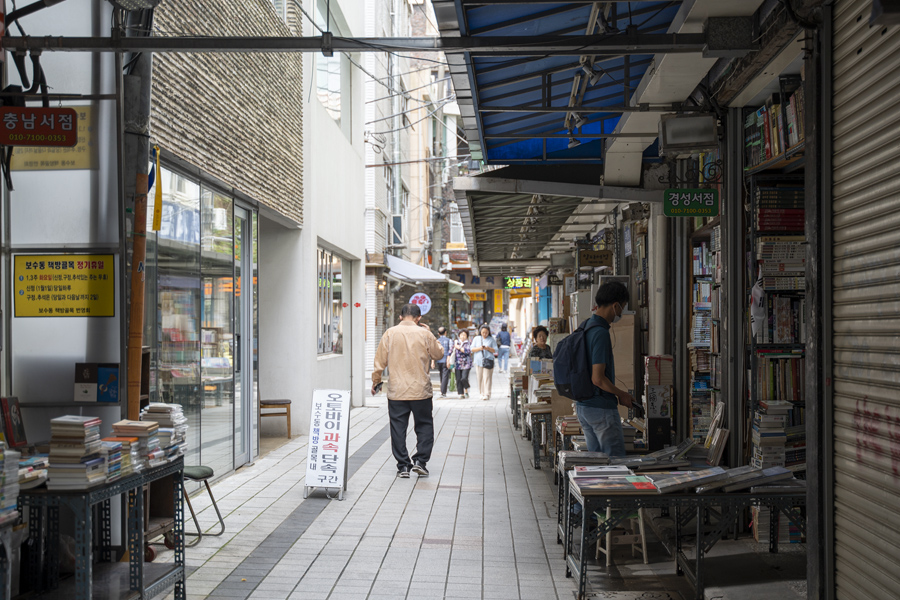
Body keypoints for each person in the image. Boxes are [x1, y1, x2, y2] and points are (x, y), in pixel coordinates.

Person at [372, 303, 444, 478]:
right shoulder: (425, 334)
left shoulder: (390, 333)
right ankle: (420, 462)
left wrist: (376, 382)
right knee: (424, 426)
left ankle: (403, 466)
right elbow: (438, 354)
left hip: (397, 390)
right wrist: (431, 334)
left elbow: (379, 360)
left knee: (398, 428)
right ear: (419, 318)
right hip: (421, 390)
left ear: (400, 317)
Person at [575, 281, 636, 457]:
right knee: (615, 463)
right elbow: (598, 378)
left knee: (598, 464)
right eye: (622, 307)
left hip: (584, 406)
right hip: (600, 407)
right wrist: (621, 394)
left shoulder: (586, 326)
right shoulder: (600, 333)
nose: (621, 313)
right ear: (615, 305)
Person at [472, 324, 498, 401]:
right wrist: (479, 348)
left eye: (486, 332)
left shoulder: (491, 339)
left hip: (488, 360)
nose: (484, 334)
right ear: (480, 332)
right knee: (479, 378)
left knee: (487, 378)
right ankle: (481, 393)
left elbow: (495, 350)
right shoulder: (476, 339)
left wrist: (488, 348)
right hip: (478, 361)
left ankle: (487, 393)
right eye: (483, 332)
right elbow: (472, 349)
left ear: (488, 332)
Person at [453, 330, 473, 398]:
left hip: (466, 363)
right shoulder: (456, 342)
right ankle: (461, 394)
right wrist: (448, 360)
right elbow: (450, 351)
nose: (463, 336)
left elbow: (467, 351)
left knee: (464, 378)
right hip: (457, 363)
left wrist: (458, 347)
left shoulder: (469, 343)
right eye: (461, 335)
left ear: (467, 336)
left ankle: (466, 388)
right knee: (458, 379)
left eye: (464, 335)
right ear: (459, 336)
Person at [434, 326, 452, 398]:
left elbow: (434, 351)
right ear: (446, 332)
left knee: (441, 374)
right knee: (445, 376)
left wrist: (433, 362)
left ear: (438, 333)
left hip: (439, 360)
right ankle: (443, 391)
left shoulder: (436, 341)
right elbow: (450, 350)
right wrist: (449, 360)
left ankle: (442, 390)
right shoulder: (449, 340)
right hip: (446, 360)